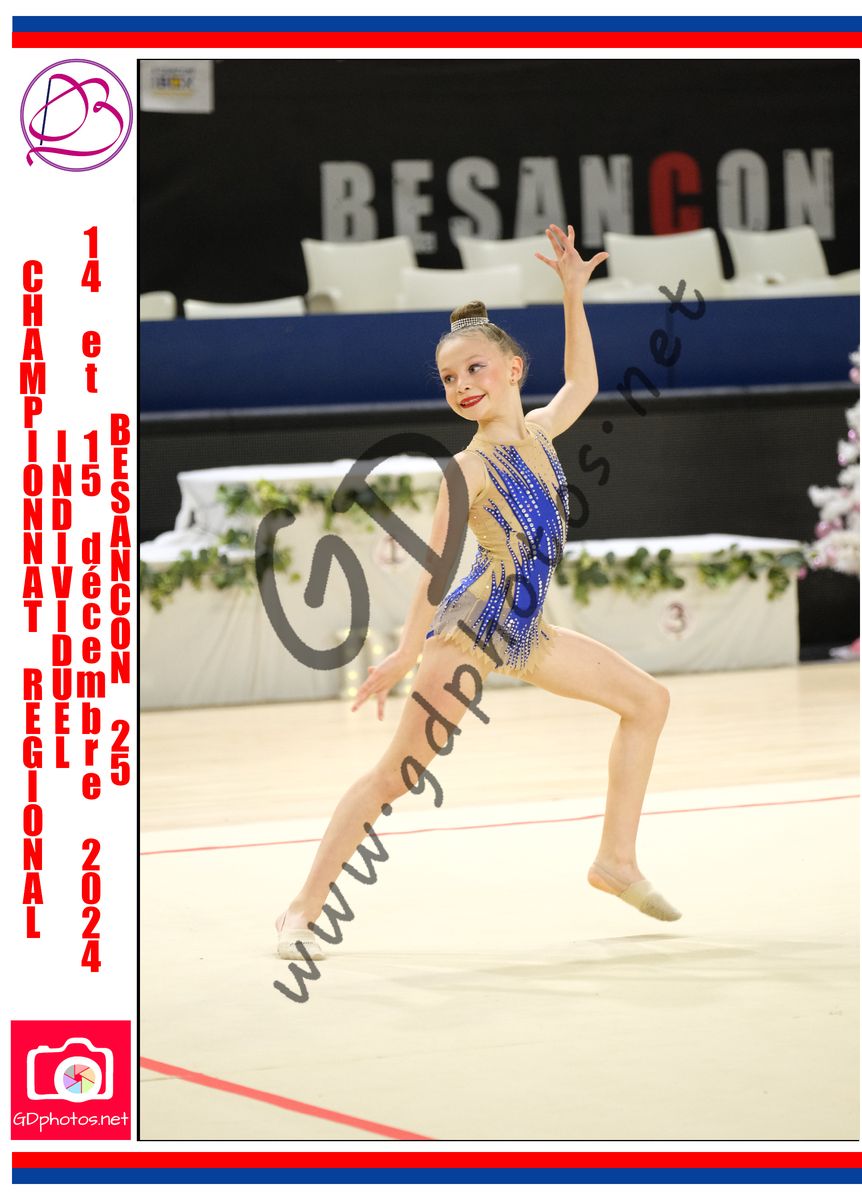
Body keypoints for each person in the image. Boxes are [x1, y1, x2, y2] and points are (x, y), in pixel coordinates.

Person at [276, 224, 679, 960]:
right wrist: (407, 653)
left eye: (475, 369)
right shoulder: (467, 469)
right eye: (449, 378)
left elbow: (584, 384)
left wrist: (572, 293)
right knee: (394, 777)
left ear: (514, 368)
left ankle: (615, 861)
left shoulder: (541, 431)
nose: (462, 385)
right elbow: (437, 568)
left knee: (648, 702)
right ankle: (303, 908)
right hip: (471, 633)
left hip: (525, 632)